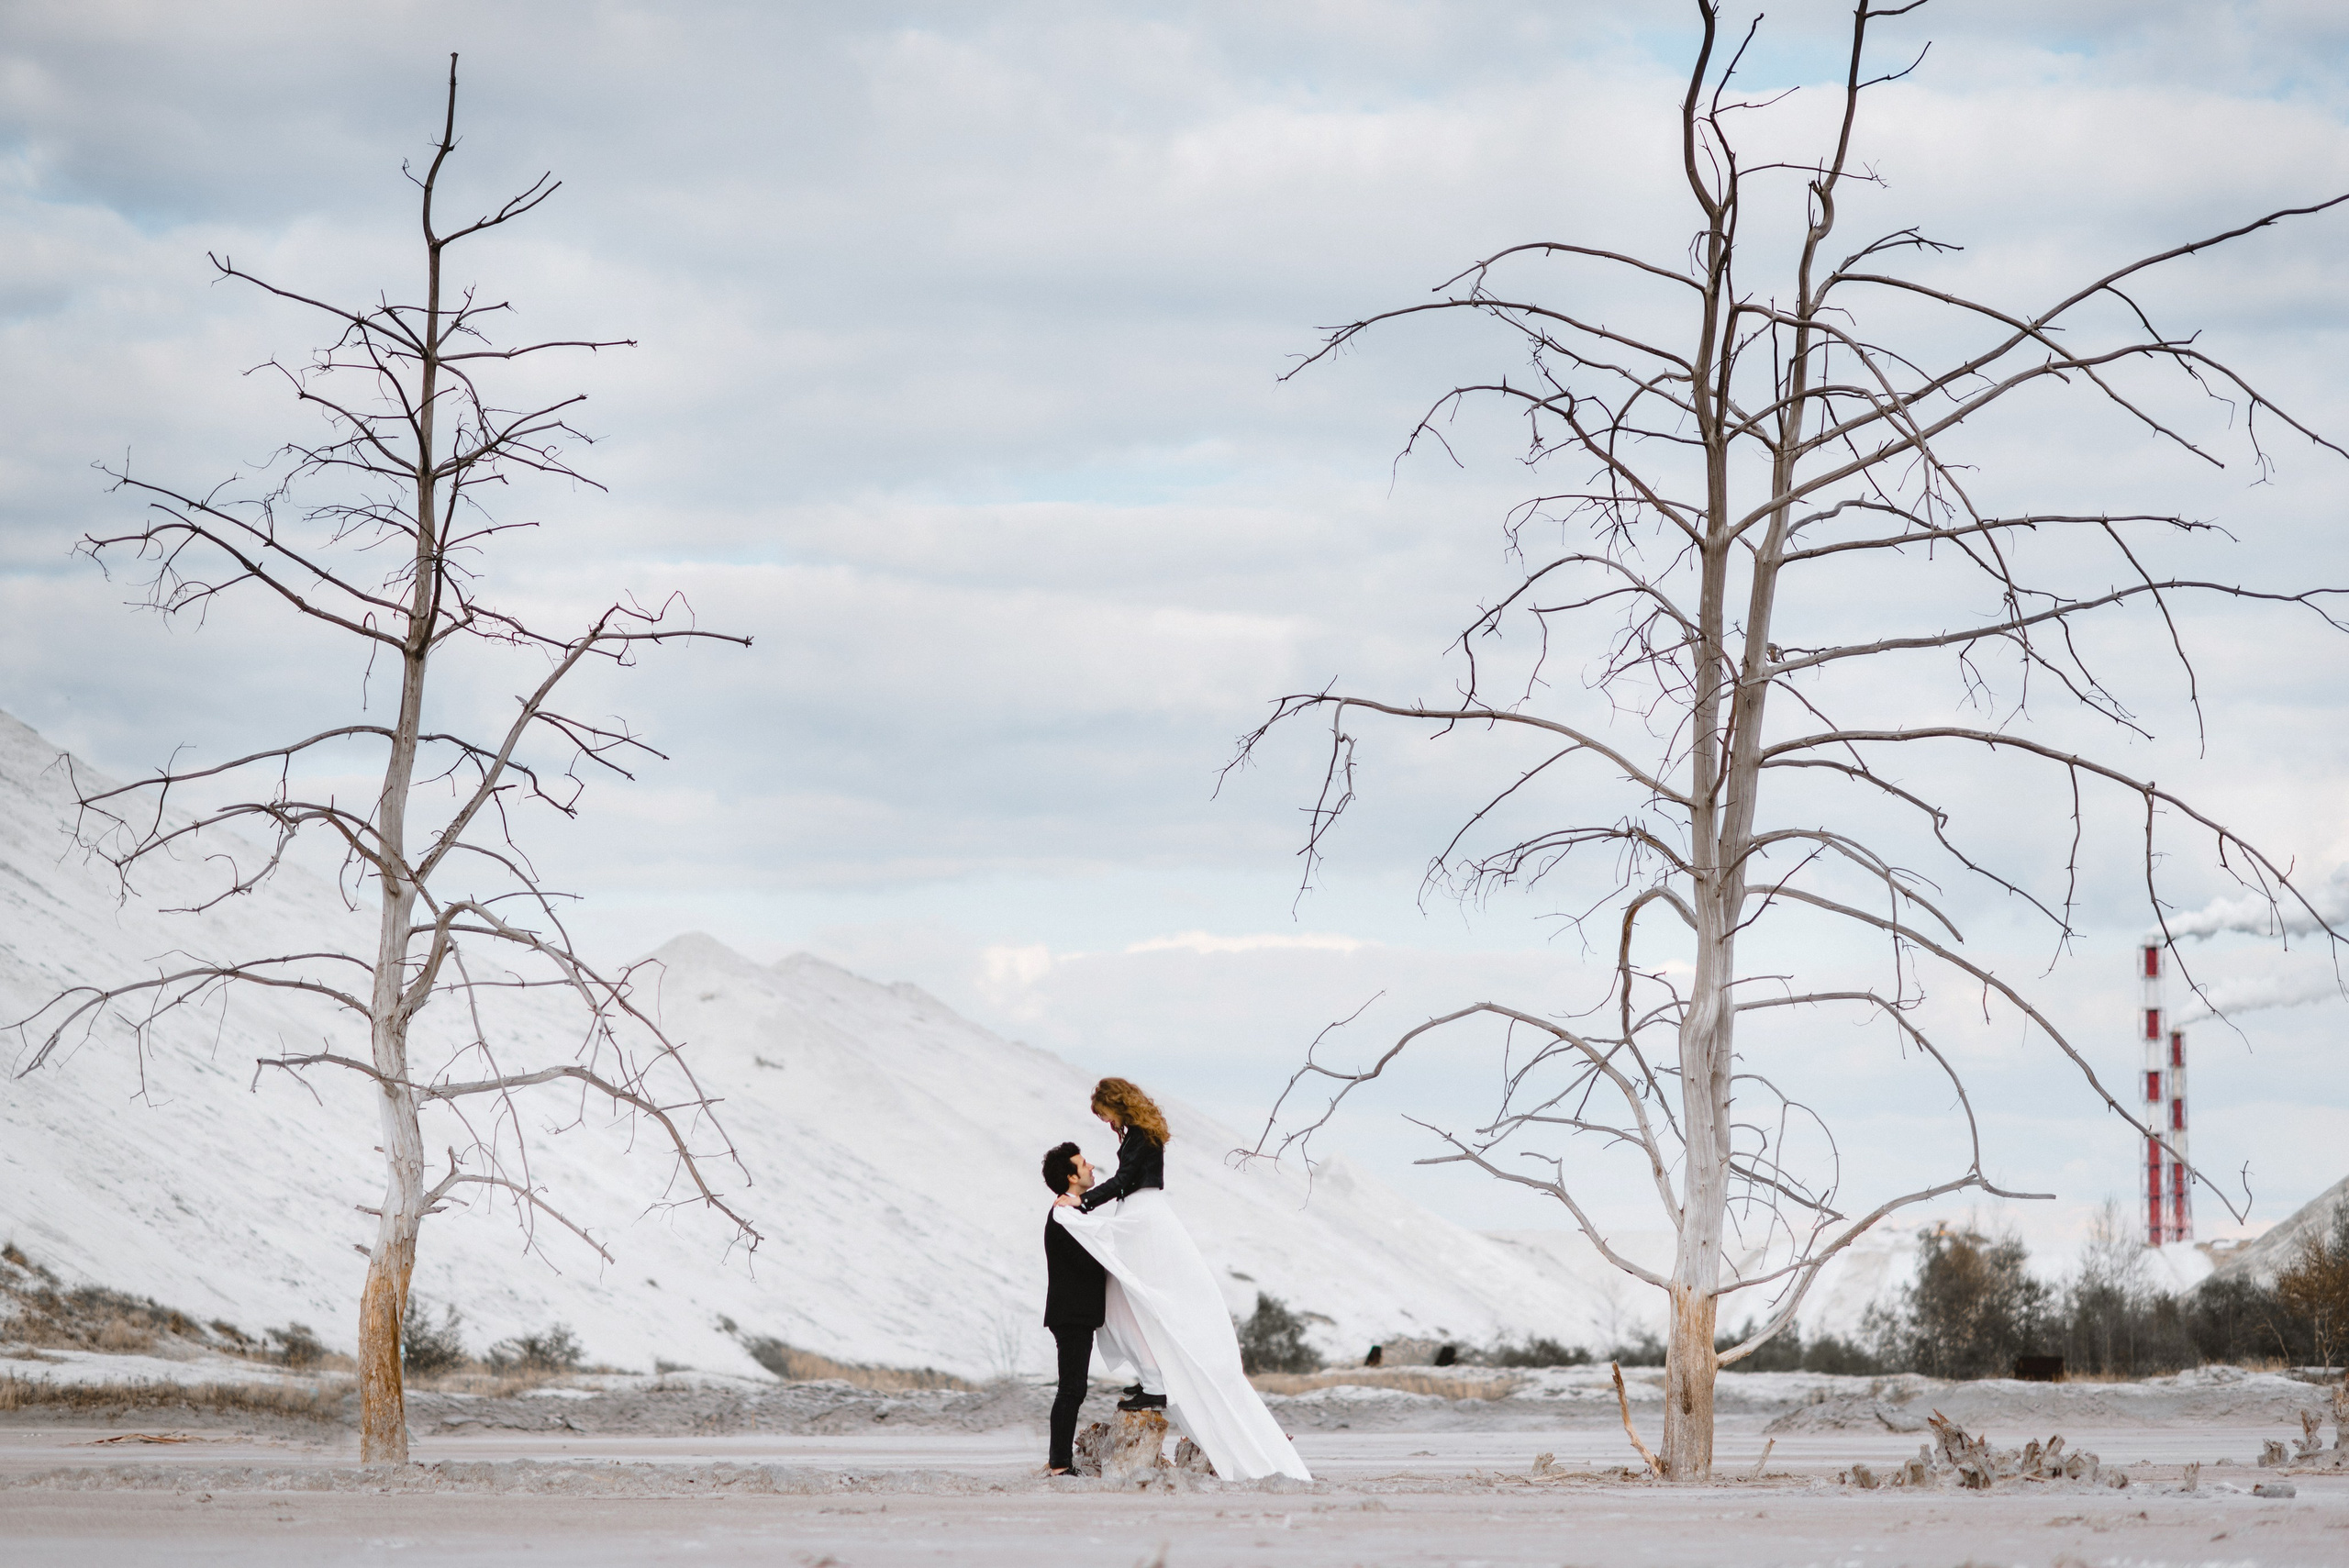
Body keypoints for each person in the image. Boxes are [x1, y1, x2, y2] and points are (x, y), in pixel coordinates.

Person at [1051, 1077, 1311, 1483]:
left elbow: (1122, 1182)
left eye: (1103, 1113)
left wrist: (1082, 1200)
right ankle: (1152, 1377)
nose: (1103, 1121)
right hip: (1137, 1216)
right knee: (1125, 1298)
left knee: (1136, 1297)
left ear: (1115, 1104)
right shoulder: (1138, 1134)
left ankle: (1155, 1380)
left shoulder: (1138, 1136)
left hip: (1144, 1218)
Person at [1039, 1140, 1109, 1476]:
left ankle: (1059, 1459)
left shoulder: (1071, 1212)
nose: (1091, 1166)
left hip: (1074, 1313)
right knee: (1071, 1388)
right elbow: (1092, 1262)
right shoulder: (1065, 1214)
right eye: (1083, 1164)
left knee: (1073, 1387)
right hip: (1071, 1314)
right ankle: (1059, 1464)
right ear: (1071, 1176)